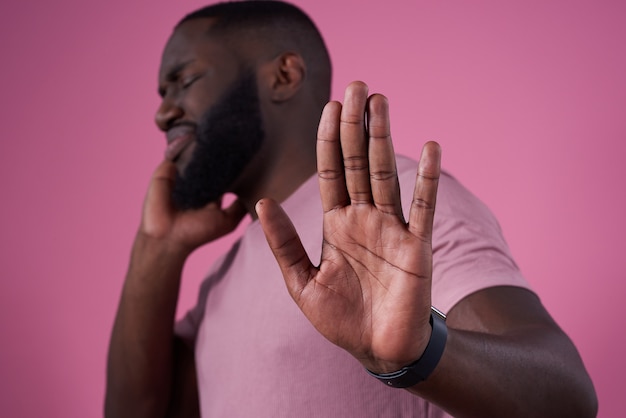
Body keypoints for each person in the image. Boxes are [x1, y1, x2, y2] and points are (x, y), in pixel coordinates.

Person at [105, 1, 597, 417]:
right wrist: (158, 247)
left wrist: (419, 354)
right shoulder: (223, 277)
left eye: (184, 80)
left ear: (284, 75)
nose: (162, 112)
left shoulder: (400, 215)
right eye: (162, 93)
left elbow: (567, 396)